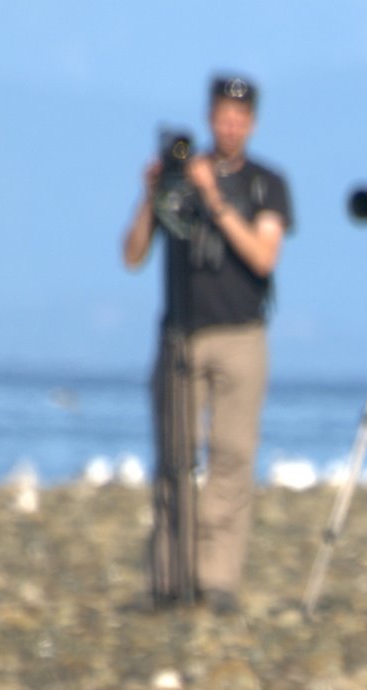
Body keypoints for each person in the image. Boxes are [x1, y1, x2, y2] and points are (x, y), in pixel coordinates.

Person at [122, 75, 293, 612]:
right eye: (222, 118)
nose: (230, 128)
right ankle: (169, 576)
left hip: (241, 334)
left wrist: (215, 199)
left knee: (232, 458)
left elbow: (263, 257)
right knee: (174, 457)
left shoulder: (267, 184)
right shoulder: (177, 182)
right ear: (209, 118)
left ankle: (218, 580)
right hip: (180, 335)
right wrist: (152, 195)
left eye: (239, 120)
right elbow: (132, 255)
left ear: (253, 124)